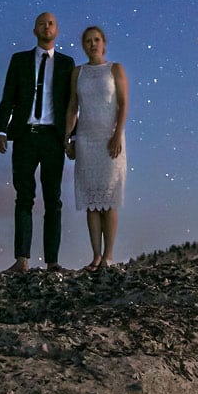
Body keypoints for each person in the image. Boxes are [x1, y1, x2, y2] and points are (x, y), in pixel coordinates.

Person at [0, 11, 77, 271]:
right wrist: (0, 130)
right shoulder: (19, 60)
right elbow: (8, 96)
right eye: (42, 23)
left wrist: (71, 136)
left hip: (53, 138)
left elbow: (72, 103)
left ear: (57, 30)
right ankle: (22, 260)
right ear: (35, 30)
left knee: (53, 199)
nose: (46, 27)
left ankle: (52, 262)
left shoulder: (66, 63)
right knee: (24, 197)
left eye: (51, 23)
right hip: (25, 135)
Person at [64, 24, 129, 268]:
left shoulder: (115, 69)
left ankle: (109, 256)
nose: (93, 44)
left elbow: (123, 104)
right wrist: (68, 137)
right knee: (91, 201)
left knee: (109, 199)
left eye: (97, 40)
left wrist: (117, 134)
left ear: (104, 43)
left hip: (110, 139)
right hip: (86, 140)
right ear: (83, 45)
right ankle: (96, 256)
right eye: (88, 40)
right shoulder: (77, 72)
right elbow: (73, 106)